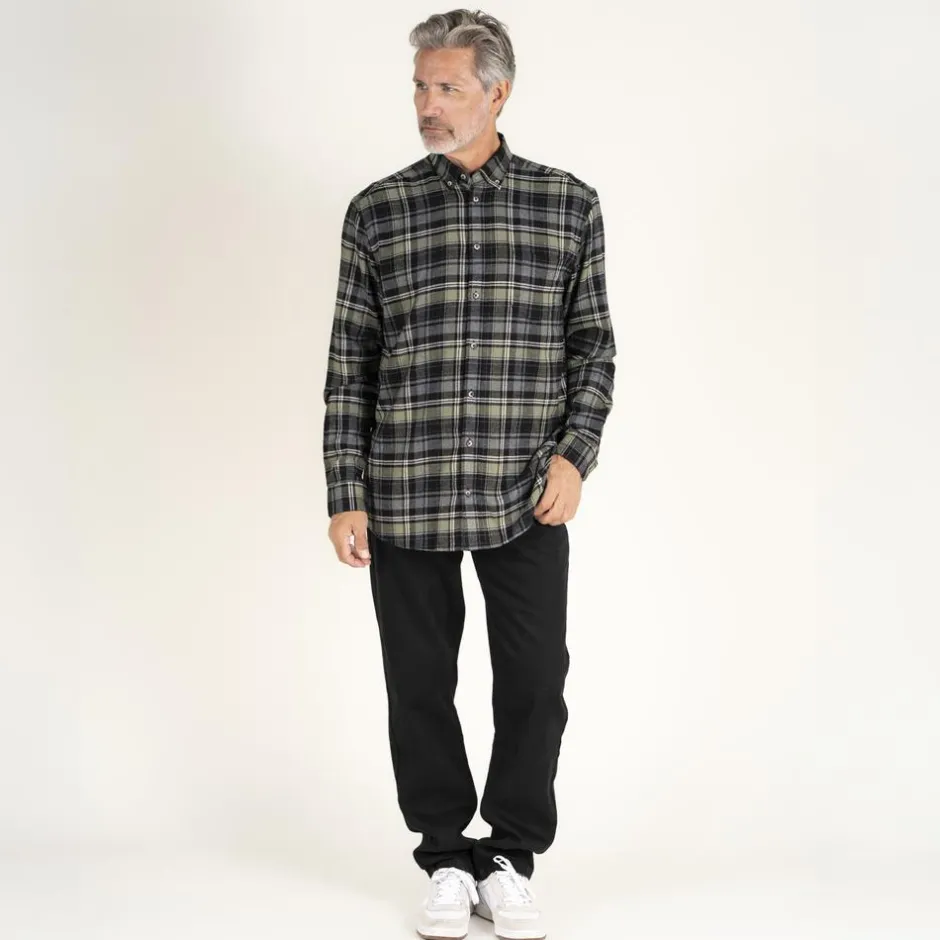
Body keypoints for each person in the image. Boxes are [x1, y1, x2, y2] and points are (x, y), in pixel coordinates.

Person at [322, 9, 616, 939]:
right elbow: (351, 363)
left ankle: (510, 857)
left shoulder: (567, 204)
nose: (428, 104)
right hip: (405, 488)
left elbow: (594, 348)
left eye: (447, 86)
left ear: (498, 92)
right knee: (419, 684)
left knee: (534, 681)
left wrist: (574, 455)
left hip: (527, 491)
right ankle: (446, 855)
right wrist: (345, 493)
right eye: (420, 85)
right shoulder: (377, 211)